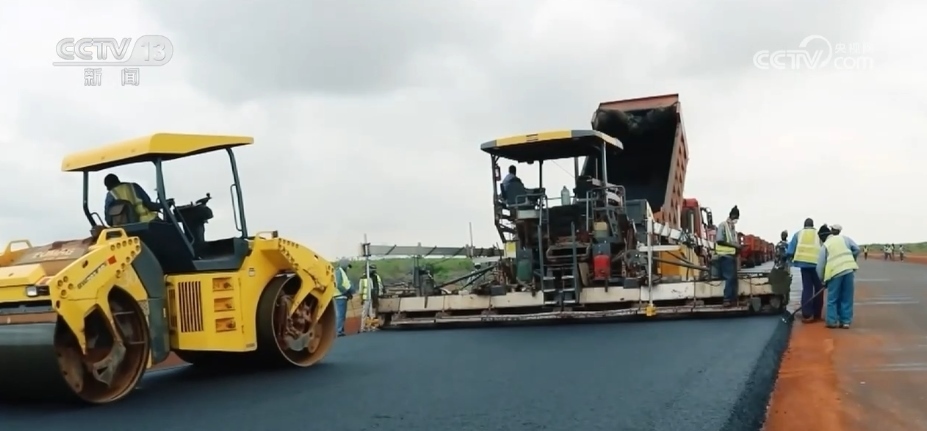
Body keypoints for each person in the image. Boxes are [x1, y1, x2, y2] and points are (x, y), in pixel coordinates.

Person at [816, 224, 860, 329]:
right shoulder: (845, 239)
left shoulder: (826, 245)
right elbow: (857, 249)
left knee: (832, 299)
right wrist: (851, 258)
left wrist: (822, 280)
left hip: (835, 273)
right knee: (847, 297)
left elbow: (820, 266)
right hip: (848, 271)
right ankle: (845, 321)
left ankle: (831, 321)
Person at [785, 218, 824, 323]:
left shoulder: (798, 234)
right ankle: (817, 314)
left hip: (804, 265)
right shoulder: (818, 234)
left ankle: (807, 314)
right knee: (819, 289)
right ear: (813, 225)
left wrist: (790, 259)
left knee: (807, 288)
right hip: (817, 265)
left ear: (804, 225)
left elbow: (789, 251)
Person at [713, 205, 742, 307]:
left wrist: (738, 248)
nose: (736, 220)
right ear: (732, 216)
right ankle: (727, 299)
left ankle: (733, 299)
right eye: (736, 218)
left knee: (733, 278)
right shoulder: (723, 225)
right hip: (724, 256)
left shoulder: (732, 228)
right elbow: (720, 240)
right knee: (729, 278)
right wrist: (734, 245)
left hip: (731, 256)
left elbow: (733, 241)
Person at [358, 263, 383, 331]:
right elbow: (361, 290)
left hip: (371, 298)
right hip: (366, 298)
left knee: (371, 313)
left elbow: (376, 287)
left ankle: (371, 326)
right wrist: (361, 299)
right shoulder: (363, 278)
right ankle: (362, 327)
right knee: (365, 313)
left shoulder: (373, 278)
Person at [333, 259, 354, 337]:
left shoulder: (342, 272)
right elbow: (339, 285)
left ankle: (340, 330)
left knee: (341, 315)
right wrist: (346, 292)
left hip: (342, 296)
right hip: (340, 296)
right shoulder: (339, 272)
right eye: (348, 266)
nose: (348, 268)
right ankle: (338, 331)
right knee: (340, 315)